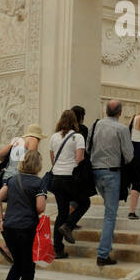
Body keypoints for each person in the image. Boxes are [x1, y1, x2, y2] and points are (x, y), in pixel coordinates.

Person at [0, 148, 46, 280]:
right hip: (26, 228)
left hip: (8, 227)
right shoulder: (39, 183)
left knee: (20, 263)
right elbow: (40, 207)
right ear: (37, 165)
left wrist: (0, 220)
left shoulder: (12, 180)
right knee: (28, 269)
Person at [89, 99, 133, 266]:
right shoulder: (121, 128)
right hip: (111, 173)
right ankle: (103, 253)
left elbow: (88, 147)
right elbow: (129, 155)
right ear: (120, 112)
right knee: (110, 215)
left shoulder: (95, 125)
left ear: (106, 111)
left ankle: (107, 242)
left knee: (109, 211)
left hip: (95, 172)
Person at [48, 110, 88, 258]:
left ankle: (58, 250)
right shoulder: (78, 137)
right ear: (74, 122)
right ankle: (69, 226)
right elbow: (79, 158)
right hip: (70, 178)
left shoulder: (53, 137)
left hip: (56, 179)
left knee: (61, 212)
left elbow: (52, 159)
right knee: (85, 202)